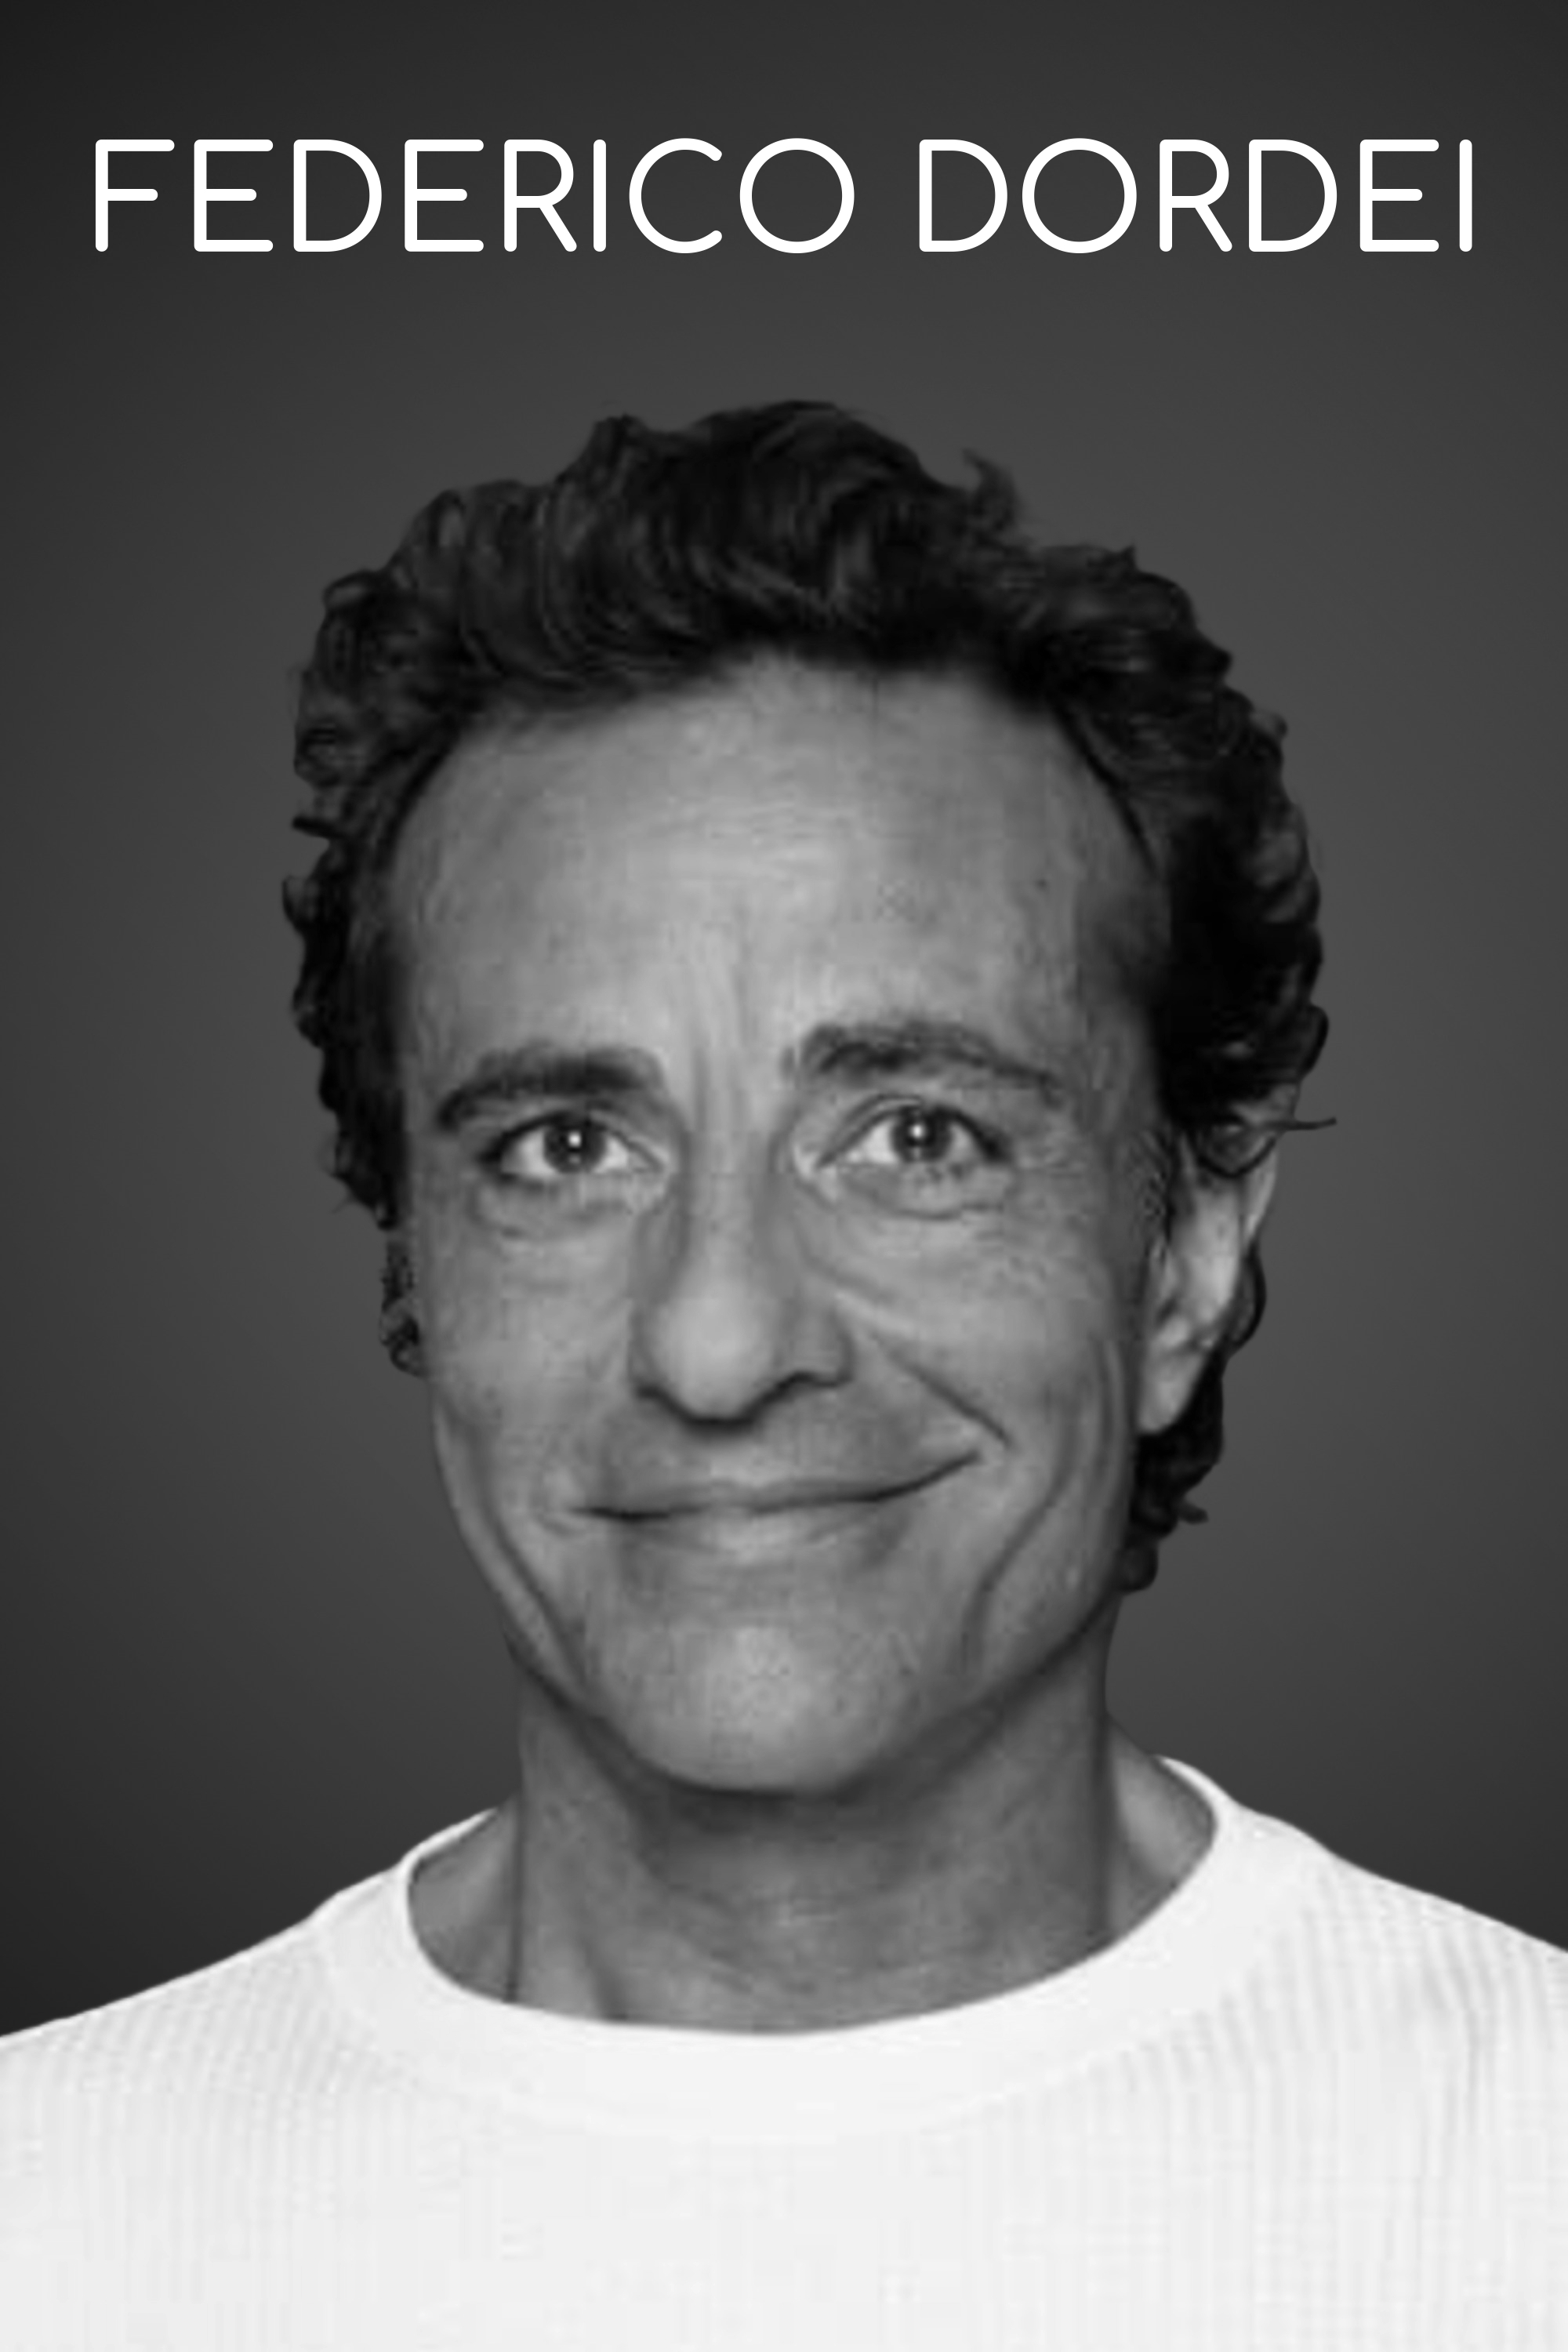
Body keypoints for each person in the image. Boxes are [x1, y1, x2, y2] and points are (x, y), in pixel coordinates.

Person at [2, 403, 1562, 2346]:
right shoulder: (47, 2214)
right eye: (568, 1147)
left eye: (915, 1137)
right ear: (413, 1252)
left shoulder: (1524, 2178)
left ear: (1182, 1257)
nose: (720, 1341)